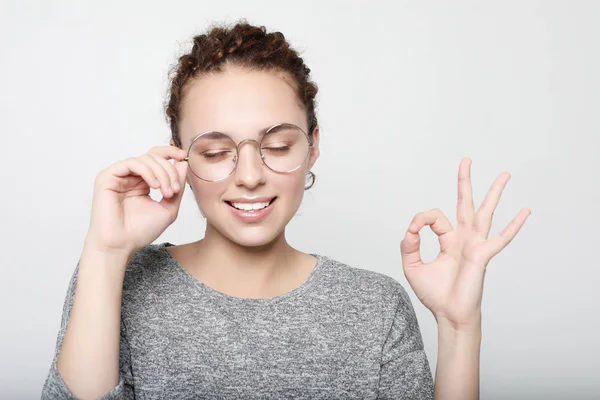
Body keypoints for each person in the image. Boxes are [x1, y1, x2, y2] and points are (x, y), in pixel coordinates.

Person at [41, 21, 530, 400]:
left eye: (276, 145)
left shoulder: (375, 309)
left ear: (312, 147)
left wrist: (460, 327)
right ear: (179, 158)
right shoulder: (116, 281)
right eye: (214, 152)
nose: (249, 174)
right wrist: (106, 253)